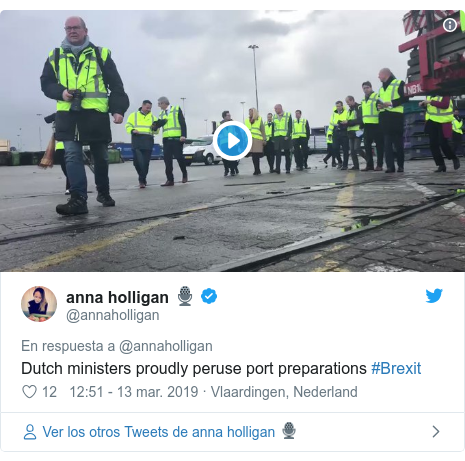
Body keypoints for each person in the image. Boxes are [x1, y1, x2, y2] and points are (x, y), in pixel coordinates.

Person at [40, 16, 129, 215]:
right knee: (71, 155)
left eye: (76, 28)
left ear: (85, 30)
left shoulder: (101, 55)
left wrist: (118, 110)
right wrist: (61, 92)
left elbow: (116, 85)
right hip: (68, 115)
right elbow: (46, 84)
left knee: (101, 157)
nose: (72, 31)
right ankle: (78, 199)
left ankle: (103, 192)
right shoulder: (55, 56)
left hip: (95, 115)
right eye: (68, 28)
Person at [377, 68, 408, 173]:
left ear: (386, 74)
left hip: (396, 117)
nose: (378, 77)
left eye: (379, 75)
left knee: (398, 143)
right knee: (387, 144)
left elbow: (405, 98)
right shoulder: (381, 89)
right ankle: (390, 166)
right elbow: (379, 102)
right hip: (384, 118)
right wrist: (379, 106)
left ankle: (400, 166)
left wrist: (391, 103)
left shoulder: (399, 83)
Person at [419, 96, 460, 172]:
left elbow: (445, 105)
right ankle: (441, 165)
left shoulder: (444, 93)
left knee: (443, 143)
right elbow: (430, 108)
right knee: (433, 144)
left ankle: (454, 157)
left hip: (443, 122)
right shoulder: (429, 95)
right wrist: (423, 104)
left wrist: (431, 102)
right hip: (432, 121)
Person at [125, 100, 159, 188]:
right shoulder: (133, 115)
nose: (149, 109)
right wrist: (132, 130)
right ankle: (142, 178)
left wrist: (155, 128)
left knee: (145, 163)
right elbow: (128, 125)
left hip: (148, 141)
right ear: (142, 106)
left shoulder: (153, 118)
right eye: (147, 107)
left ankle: (142, 180)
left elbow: (156, 131)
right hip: (137, 140)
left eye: (150, 108)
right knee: (137, 162)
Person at [157, 97, 188, 186]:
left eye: (159, 104)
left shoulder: (176, 109)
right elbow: (160, 124)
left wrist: (183, 135)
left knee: (179, 158)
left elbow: (182, 123)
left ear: (163, 103)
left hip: (177, 139)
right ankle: (170, 180)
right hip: (166, 140)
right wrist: (155, 126)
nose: (159, 106)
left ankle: (184, 174)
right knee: (167, 160)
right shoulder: (161, 113)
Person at [361, 81, 384, 171]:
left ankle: (379, 165)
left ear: (371, 87)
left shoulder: (377, 97)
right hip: (367, 125)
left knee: (379, 146)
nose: (365, 90)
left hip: (376, 124)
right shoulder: (363, 100)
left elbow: (382, 108)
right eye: (364, 88)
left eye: (367, 87)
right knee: (367, 145)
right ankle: (369, 165)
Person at [345, 96, 365, 171]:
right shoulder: (349, 110)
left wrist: (348, 122)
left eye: (348, 102)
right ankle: (356, 166)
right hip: (350, 132)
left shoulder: (359, 107)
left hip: (358, 131)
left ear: (352, 100)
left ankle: (369, 160)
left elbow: (360, 120)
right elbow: (348, 120)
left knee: (357, 148)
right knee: (352, 150)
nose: (348, 104)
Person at [245, 108, 266, 175]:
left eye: (250, 112)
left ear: (254, 113)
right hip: (250, 140)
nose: (249, 113)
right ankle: (256, 169)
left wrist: (264, 139)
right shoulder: (246, 120)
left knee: (256, 155)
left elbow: (262, 130)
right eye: (249, 112)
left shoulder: (259, 119)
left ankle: (257, 169)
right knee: (253, 156)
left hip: (257, 140)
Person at [272, 104, 292, 174]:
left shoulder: (288, 115)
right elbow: (273, 128)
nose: (275, 110)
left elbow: (290, 127)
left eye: (276, 109)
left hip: (285, 137)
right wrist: (273, 137)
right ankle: (277, 169)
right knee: (277, 153)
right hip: (277, 137)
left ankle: (288, 169)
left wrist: (287, 135)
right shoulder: (274, 116)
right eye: (275, 109)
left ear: (280, 108)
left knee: (287, 153)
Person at [217, 111, 239, 176]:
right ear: (224, 117)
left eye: (230, 115)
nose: (229, 116)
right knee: (224, 158)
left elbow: (237, 132)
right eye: (228, 115)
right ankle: (226, 169)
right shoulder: (220, 124)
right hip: (224, 143)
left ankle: (232, 170)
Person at [329, 101, 349, 169]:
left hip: (344, 132)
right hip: (336, 132)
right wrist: (329, 133)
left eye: (339, 106)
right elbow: (331, 124)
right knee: (335, 148)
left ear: (342, 106)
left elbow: (349, 121)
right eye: (337, 106)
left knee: (345, 150)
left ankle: (345, 165)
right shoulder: (334, 114)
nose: (338, 107)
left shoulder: (347, 112)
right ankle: (340, 162)